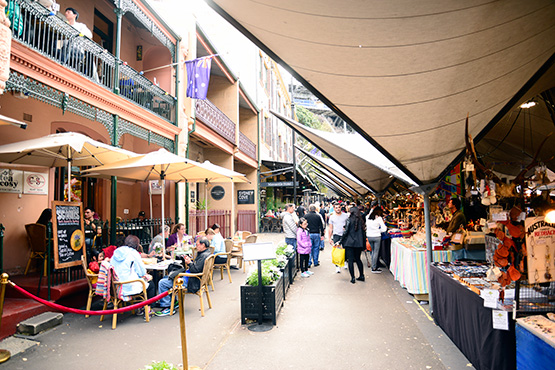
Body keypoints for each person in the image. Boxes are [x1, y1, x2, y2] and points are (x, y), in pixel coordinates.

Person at [156, 236, 212, 317]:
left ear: (203, 245)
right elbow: (198, 268)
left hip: (191, 281)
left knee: (162, 283)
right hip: (195, 279)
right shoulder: (207, 254)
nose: (196, 246)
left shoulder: (203, 256)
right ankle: (173, 302)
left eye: (197, 244)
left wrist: (189, 263)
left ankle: (166, 307)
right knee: (167, 278)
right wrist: (190, 262)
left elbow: (195, 270)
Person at [110, 235, 154, 302]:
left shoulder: (116, 252)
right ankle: (147, 308)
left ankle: (137, 307)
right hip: (128, 287)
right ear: (137, 246)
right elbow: (142, 272)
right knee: (150, 284)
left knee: (141, 282)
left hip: (115, 287)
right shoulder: (133, 253)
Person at [339, 206, 366, 284]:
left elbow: (346, 232)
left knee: (350, 260)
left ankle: (353, 278)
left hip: (349, 243)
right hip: (359, 243)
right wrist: (364, 245)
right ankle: (362, 275)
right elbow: (363, 234)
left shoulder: (349, 220)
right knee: (358, 259)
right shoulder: (361, 221)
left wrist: (341, 241)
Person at [328, 203, 349, 273]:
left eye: (339, 207)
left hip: (345, 235)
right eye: (336, 207)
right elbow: (330, 228)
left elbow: (349, 225)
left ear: (341, 208)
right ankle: (337, 266)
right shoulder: (332, 217)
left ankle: (345, 261)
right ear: (334, 208)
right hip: (336, 234)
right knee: (337, 250)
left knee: (345, 249)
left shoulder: (346, 216)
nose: (338, 209)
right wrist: (329, 238)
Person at [366, 208, 387, 273]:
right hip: (377, 236)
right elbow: (384, 229)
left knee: (372, 251)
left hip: (369, 236)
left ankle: (374, 265)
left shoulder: (367, 217)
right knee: (376, 252)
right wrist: (378, 231)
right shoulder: (379, 218)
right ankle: (374, 268)